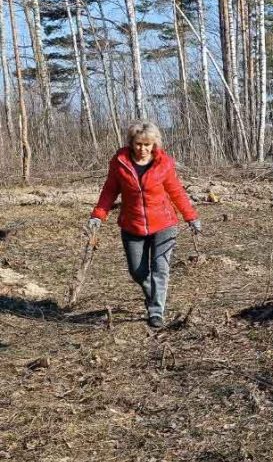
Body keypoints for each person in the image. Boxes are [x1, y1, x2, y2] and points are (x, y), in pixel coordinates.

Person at [85, 122, 200, 329]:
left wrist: (191, 217)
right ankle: (153, 295)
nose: (143, 149)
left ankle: (156, 311)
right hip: (132, 224)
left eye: (147, 144)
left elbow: (176, 192)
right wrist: (98, 215)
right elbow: (110, 191)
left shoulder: (164, 163)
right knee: (137, 271)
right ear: (131, 143)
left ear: (154, 143)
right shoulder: (120, 162)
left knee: (160, 269)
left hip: (164, 223)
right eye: (139, 144)